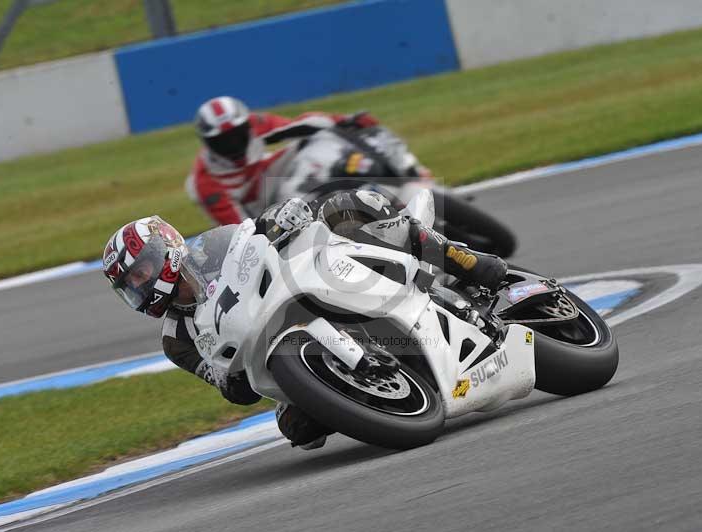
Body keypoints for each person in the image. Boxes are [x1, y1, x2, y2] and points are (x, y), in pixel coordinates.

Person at [101, 190, 507, 450]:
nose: (139, 287)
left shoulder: (207, 252)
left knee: (346, 207)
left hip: (312, 281)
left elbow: (252, 234)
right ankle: (379, 395)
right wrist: (229, 379)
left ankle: (463, 260)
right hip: (269, 348)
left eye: (140, 272)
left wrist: (282, 217)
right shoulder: (176, 339)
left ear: (166, 250)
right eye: (129, 286)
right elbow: (230, 387)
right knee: (297, 427)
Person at [186, 96, 380, 227]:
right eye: (223, 141)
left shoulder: (255, 125)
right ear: (208, 143)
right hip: (258, 216)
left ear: (246, 127)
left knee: (315, 140)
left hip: (264, 178)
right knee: (289, 196)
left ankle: (366, 179)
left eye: (236, 135)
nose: (233, 144)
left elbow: (301, 124)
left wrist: (345, 121)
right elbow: (243, 230)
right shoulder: (206, 183)